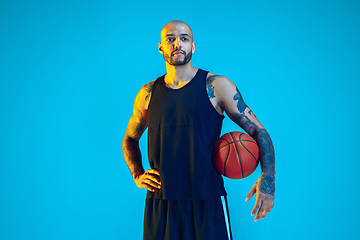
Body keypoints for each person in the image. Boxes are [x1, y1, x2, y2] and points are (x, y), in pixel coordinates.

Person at [122, 20, 275, 240]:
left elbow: (259, 131)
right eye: (171, 39)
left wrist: (268, 179)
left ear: (192, 46)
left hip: (207, 199)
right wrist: (137, 173)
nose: (178, 44)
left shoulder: (217, 86)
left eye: (184, 39)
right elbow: (129, 138)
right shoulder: (147, 94)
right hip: (161, 201)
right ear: (161, 47)